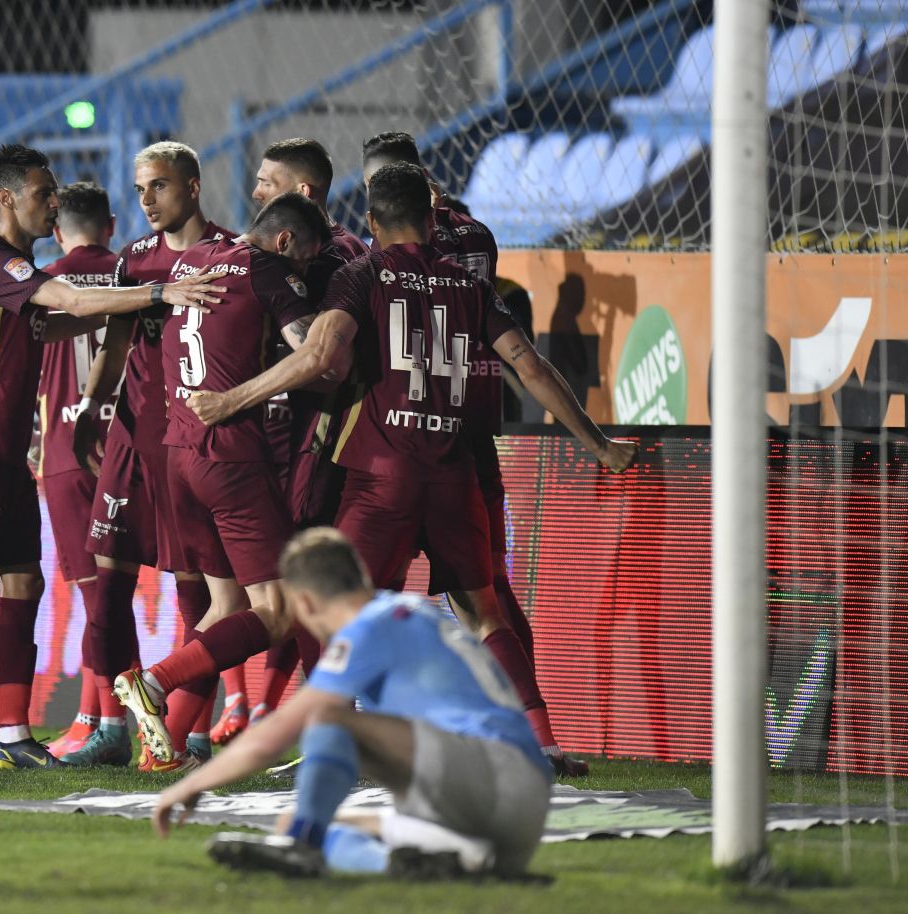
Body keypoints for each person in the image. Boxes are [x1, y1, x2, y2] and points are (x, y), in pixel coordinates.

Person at [183, 162, 637, 777]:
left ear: (371, 223)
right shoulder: (470, 286)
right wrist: (598, 443)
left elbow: (318, 355)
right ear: (430, 219)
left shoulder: (361, 274)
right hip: (455, 473)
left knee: (323, 602)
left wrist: (229, 400)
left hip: (381, 477)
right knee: (483, 613)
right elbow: (528, 366)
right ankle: (543, 743)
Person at [0, 143, 227, 771]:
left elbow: (55, 325)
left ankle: (12, 734)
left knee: (24, 583)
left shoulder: (8, 275)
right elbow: (73, 305)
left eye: (55, 192)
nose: (53, 202)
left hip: (6, 453)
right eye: (42, 193)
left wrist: (129, 318)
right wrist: (155, 296)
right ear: (7, 199)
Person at [361, 132, 585, 775]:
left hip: (394, 446)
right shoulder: (477, 239)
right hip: (471, 438)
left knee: (358, 597)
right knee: (489, 596)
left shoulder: (377, 262)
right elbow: (521, 358)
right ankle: (536, 734)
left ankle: (360, 735)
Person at [152, 528, 553, 879]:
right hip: (515, 809)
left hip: (489, 778)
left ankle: (301, 846)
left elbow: (278, 732)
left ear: (305, 602)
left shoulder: (371, 624)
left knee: (329, 720)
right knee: (300, 821)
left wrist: (192, 784)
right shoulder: (408, 615)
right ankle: (441, 861)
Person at [112, 192, 330, 770]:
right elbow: (314, 355)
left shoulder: (196, 259)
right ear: (285, 241)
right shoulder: (270, 271)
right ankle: (154, 681)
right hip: (231, 457)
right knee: (279, 610)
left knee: (225, 603)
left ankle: (166, 748)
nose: (304, 268)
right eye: (307, 256)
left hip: (177, 456)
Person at [63, 141, 236, 770]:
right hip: (132, 439)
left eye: (158, 186)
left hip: (193, 444)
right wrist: (90, 410)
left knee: (201, 597)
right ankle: (122, 722)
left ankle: (182, 732)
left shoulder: (228, 255)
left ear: (192, 185)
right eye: (139, 189)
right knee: (107, 585)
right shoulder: (134, 260)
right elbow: (114, 346)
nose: (146, 201)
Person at [209, 138, 370, 747]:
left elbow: (326, 363)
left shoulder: (336, 260)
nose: (254, 193)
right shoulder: (255, 259)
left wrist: (233, 398)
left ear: (302, 195)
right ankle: (285, 716)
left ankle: (331, 726)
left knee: (300, 581)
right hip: (269, 438)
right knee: (279, 587)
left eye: (265, 181)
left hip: (316, 434)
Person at [30, 181, 132, 761]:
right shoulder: (137, 273)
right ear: (111, 224)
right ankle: (94, 715)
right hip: (129, 446)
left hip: (69, 449)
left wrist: (33, 441)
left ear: (56, 227)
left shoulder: (43, 283)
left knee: (97, 597)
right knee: (134, 588)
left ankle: (110, 724)